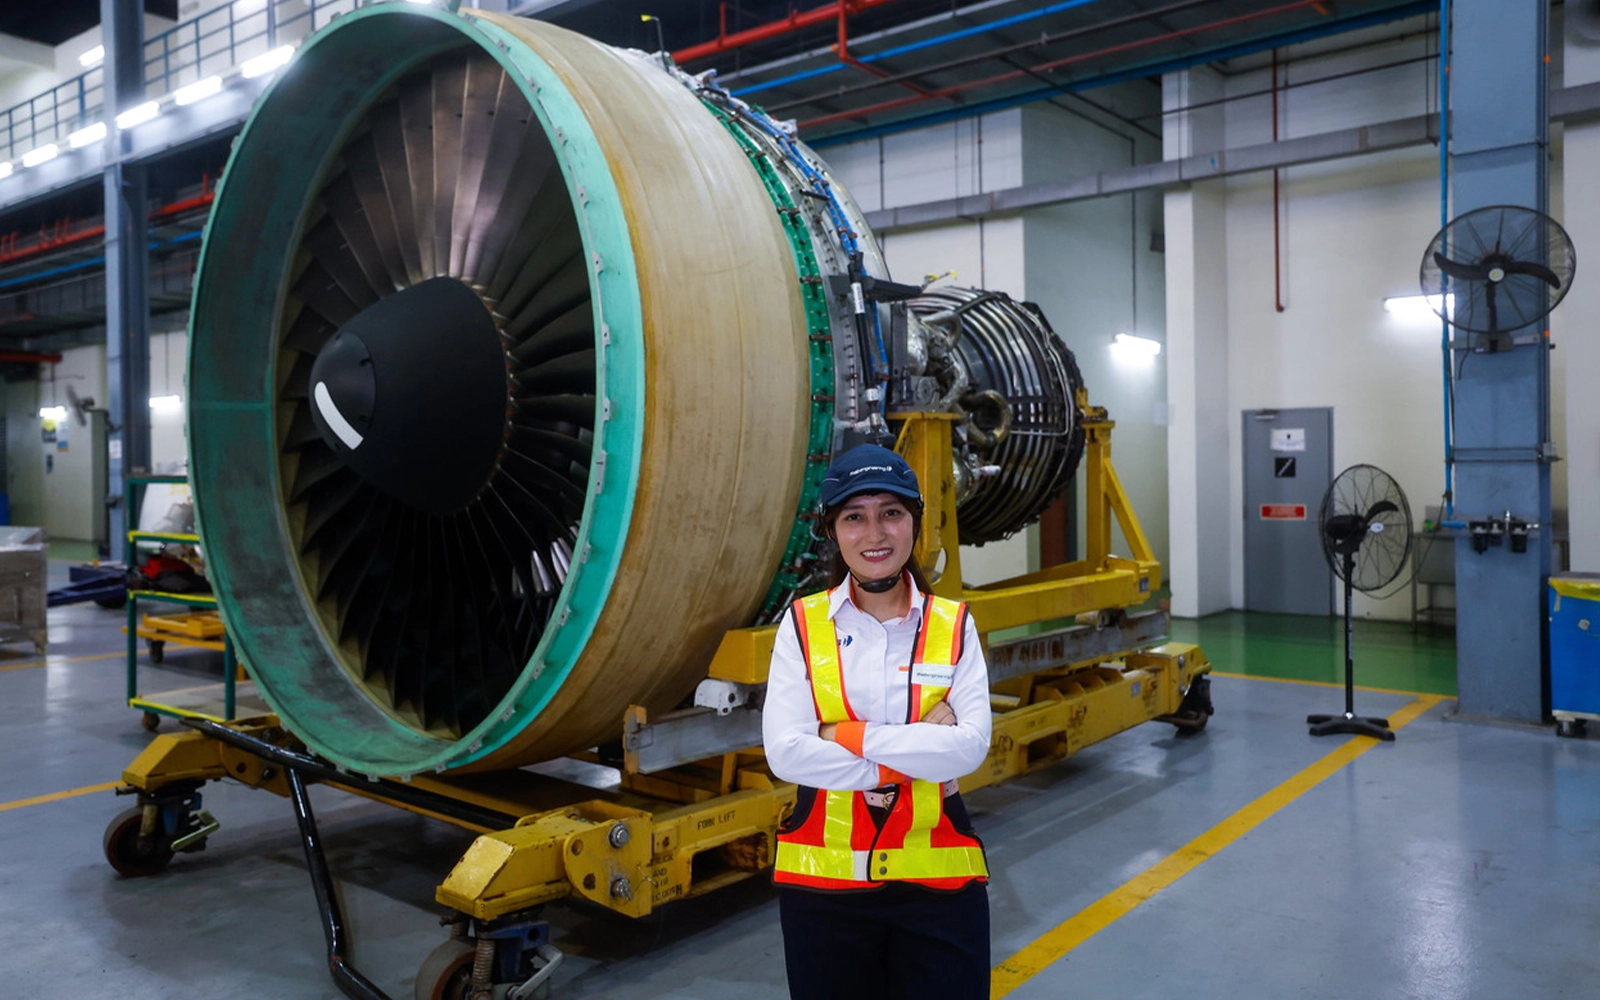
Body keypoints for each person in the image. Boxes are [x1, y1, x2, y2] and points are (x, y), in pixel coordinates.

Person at [763, 443, 993, 1000]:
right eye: (854, 517)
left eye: (891, 512)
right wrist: (918, 750)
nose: (875, 534)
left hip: (940, 886)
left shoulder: (953, 625)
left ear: (914, 522)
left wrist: (839, 734)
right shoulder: (802, 626)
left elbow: (968, 748)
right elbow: (786, 753)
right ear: (832, 530)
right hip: (824, 890)